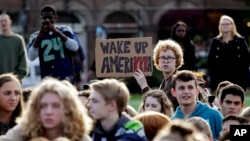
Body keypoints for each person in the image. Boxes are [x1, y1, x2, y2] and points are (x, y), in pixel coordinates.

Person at [0, 77, 93, 141]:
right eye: (43, 106)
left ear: (68, 110)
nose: (48, 112)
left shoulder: (79, 136)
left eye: (56, 106)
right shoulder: (24, 130)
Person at [27, 5, 80, 85]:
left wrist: (57, 32)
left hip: (65, 77)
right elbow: (31, 57)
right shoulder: (35, 35)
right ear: (41, 18)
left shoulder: (65, 30)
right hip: (47, 78)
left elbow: (75, 47)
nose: (48, 20)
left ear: (55, 18)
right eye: (45, 18)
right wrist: (39, 37)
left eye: (50, 18)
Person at [170, 70, 223, 140]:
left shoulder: (214, 115)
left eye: (190, 87)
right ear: (173, 92)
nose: (186, 92)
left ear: (197, 91)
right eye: (181, 88)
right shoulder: (172, 123)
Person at [133, 39, 184, 110]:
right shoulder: (164, 82)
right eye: (162, 58)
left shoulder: (179, 80)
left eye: (169, 58)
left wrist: (144, 86)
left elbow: (162, 105)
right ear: (158, 61)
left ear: (176, 61)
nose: (166, 61)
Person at [207, 15, 250, 92]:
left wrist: (246, 81)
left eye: (227, 24)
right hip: (220, 78)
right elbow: (210, 61)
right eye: (223, 24)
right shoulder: (215, 41)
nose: (225, 26)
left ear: (232, 25)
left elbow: (246, 60)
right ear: (220, 26)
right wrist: (212, 81)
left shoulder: (240, 41)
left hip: (238, 77)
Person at [0, 13, 28, 80]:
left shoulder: (18, 40)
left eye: (5, 21)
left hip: (14, 82)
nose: (3, 23)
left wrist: (16, 78)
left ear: (10, 22)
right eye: (1, 21)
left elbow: (23, 63)